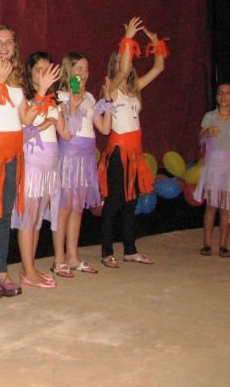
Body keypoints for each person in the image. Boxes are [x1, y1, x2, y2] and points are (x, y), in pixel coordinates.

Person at [0, 25, 49, 299]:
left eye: (9, 42)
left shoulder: (17, 77)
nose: (4, 46)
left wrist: (41, 91)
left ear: (15, 46)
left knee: (4, 215)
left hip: (14, 153)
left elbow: (26, 119)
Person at [98, 17, 166, 268]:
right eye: (117, 61)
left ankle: (129, 248)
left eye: (123, 58)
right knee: (115, 201)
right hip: (118, 152)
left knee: (131, 201)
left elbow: (158, 68)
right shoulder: (110, 87)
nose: (122, 64)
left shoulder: (134, 87)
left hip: (135, 153)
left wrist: (156, 43)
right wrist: (128, 37)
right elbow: (124, 69)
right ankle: (106, 251)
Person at [51, 52, 111, 277]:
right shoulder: (61, 96)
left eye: (86, 69)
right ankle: (58, 259)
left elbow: (104, 129)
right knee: (64, 208)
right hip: (69, 156)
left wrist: (109, 101)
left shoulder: (90, 97)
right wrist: (73, 104)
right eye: (78, 69)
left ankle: (73, 256)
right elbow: (66, 130)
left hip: (86, 158)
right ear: (69, 71)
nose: (83, 73)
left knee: (77, 208)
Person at [10, 52, 62, 288]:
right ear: (30, 75)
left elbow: (66, 132)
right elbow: (25, 128)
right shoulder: (27, 100)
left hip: (49, 166)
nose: (43, 74)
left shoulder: (52, 100)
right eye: (38, 70)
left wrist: (69, 109)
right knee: (27, 218)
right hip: (32, 165)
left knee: (38, 219)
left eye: (47, 69)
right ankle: (27, 269)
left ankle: (30, 267)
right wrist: (45, 123)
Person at [194, 83, 230, 258]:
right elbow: (200, 140)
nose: (223, 96)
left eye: (227, 93)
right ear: (217, 97)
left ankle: (223, 245)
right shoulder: (210, 117)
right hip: (215, 164)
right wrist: (206, 134)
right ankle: (207, 244)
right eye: (220, 93)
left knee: (226, 206)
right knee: (211, 205)